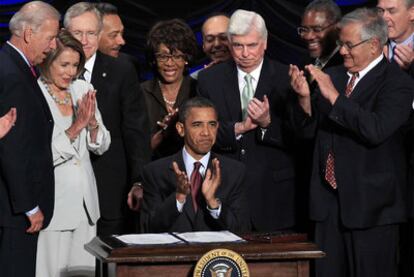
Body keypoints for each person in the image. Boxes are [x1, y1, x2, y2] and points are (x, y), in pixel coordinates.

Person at [289, 8, 414, 277]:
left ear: (373, 45)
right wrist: (303, 100)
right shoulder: (332, 77)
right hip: (328, 207)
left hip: (373, 210)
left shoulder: (398, 83)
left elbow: (375, 130)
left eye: (349, 45)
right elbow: (309, 135)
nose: (342, 51)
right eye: (340, 44)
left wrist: (335, 98)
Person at [198, 9, 296, 232]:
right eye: (237, 45)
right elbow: (203, 132)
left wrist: (267, 123)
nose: (244, 53)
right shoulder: (209, 79)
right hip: (225, 191)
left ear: (265, 43)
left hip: (273, 196)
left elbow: (302, 134)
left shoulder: (286, 78)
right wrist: (239, 128)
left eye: (251, 45)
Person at [64, 2, 150, 235]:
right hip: (63, 189)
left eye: (91, 33)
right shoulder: (51, 70)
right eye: (77, 33)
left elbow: (136, 130)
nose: (85, 40)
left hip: (110, 188)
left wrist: (139, 180)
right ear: (64, 34)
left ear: (99, 34)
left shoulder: (122, 70)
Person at [35, 29, 110, 277]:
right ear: (47, 61)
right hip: (53, 204)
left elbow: (101, 144)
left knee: (84, 272)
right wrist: (76, 127)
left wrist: (92, 125)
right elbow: (40, 154)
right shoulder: (35, 94)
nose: (70, 72)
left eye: (75, 65)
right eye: (64, 64)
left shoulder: (82, 89)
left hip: (86, 205)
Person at [0, 2, 59, 276]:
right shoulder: (11, 74)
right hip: (13, 213)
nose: (53, 46)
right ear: (28, 34)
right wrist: (29, 205)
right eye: (50, 37)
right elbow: (11, 148)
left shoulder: (14, 66)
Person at [141, 97, 248, 233]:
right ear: (181, 129)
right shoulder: (155, 172)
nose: (206, 133)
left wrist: (213, 203)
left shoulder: (234, 171)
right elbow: (148, 228)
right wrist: (178, 197)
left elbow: (242, 230)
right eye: (197, 125)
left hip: (216, 253)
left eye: (212, 124)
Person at [142, 18, 198, 160]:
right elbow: (135, 151)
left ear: (186, 58)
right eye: (163, 56)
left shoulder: (198, 90)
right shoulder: (140, 93)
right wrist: (162, 134)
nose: (169, 63)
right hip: (151, 172)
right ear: (154, 59)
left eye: (177, 56)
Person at [298, 0, 342, 70]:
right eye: (304, 30)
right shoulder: (304, 62)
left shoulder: (346, 65)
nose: (309, 36)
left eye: (317, 30)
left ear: (337, 28)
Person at [377, 0, 414, 71]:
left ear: (412, 13)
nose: (384, 18)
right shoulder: (371, 45)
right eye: (381, 11)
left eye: (391, 11)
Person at [191, 13, 231, 79]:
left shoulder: (251, 73)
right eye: (210, 39)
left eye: (224, 37)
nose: (217, 44)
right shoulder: (194, 81)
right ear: (203, 45)